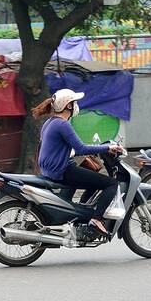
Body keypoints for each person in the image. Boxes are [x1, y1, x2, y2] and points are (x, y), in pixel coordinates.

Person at [34, 88, 124, 236]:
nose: (76, 106)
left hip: (51, 169)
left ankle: (81, 213)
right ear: (68, 106)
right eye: (74, 102)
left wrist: (97, 148)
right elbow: (81, 148)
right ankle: (96, 219)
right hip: (61, 170)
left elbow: (62, 146)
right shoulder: (63, 125)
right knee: (110, 184)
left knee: (92, 178)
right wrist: (108, 147)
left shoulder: (49, 123)